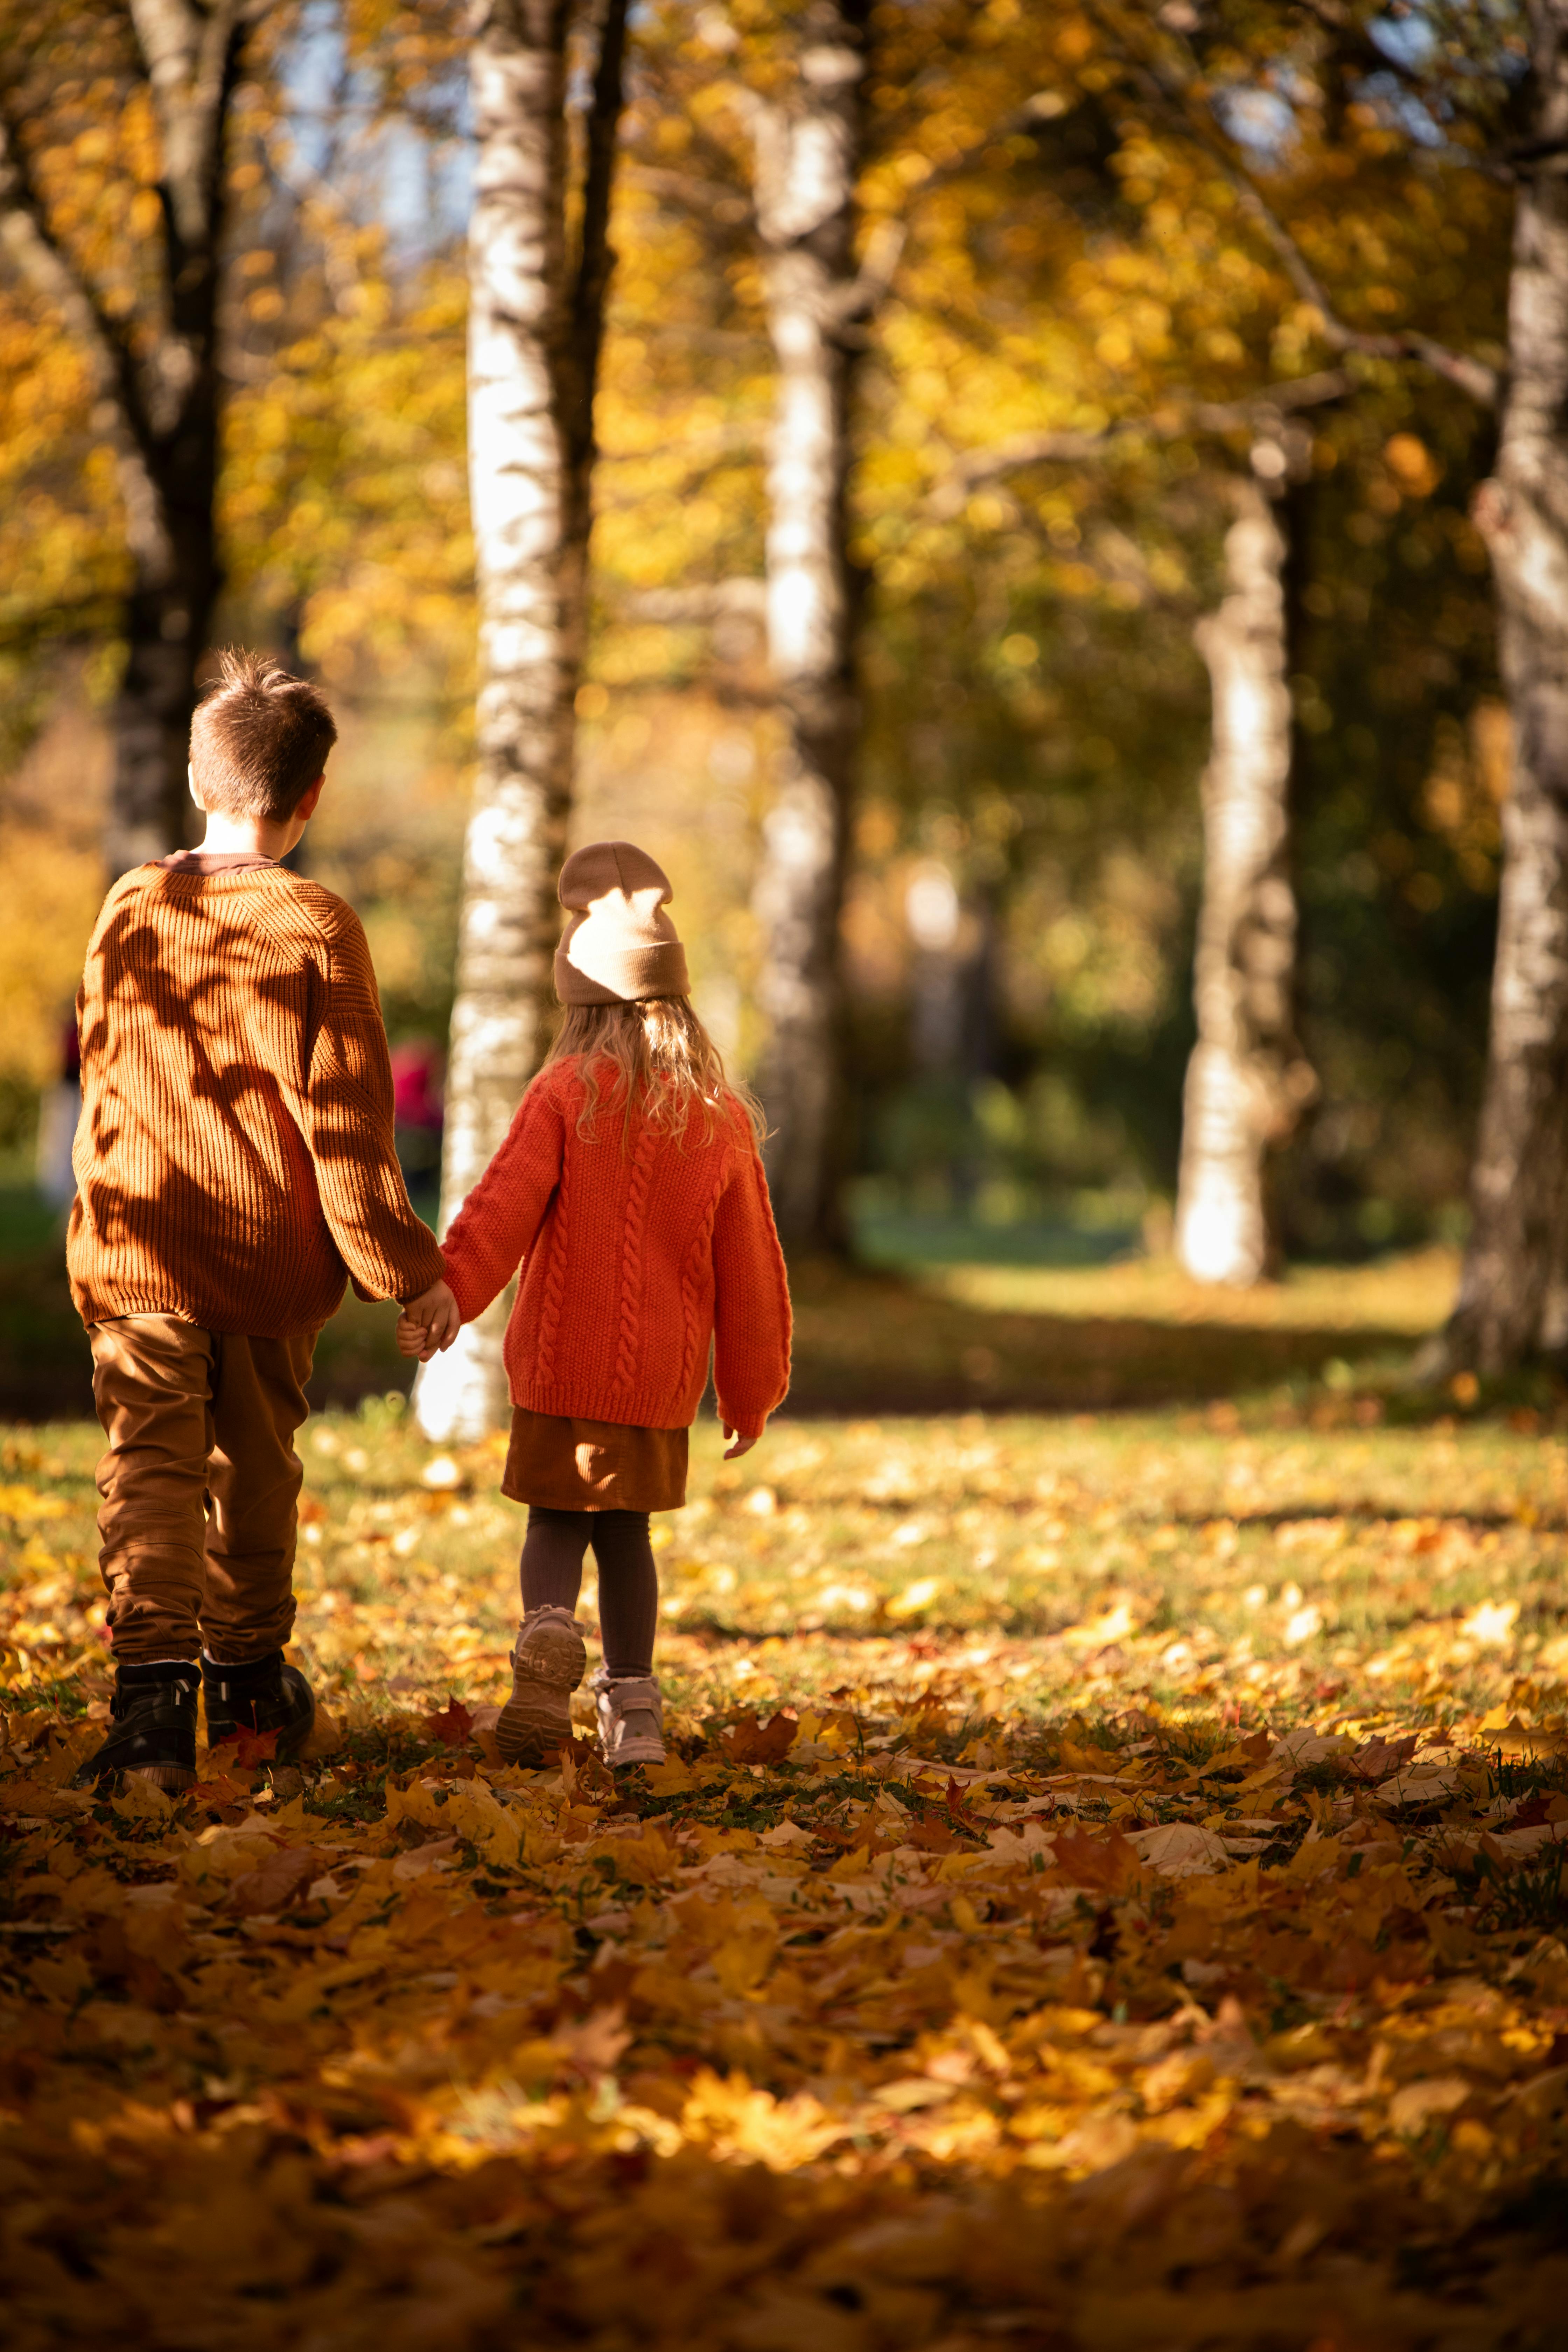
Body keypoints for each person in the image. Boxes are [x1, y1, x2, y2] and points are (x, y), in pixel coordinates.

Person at [68, 650, 452, 1791]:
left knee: (148, 1461)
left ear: (197, 779)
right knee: (252, 1468)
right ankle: (244, 1688)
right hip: (264, 1254)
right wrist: (408, 1271)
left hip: (138, 1239)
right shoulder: (319, 927)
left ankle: (147, 1711)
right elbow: (348, 1128)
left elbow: (101, 1057)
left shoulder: (134, 904)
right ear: (311, 797)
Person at [398, 840, 791, 1770]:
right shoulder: (720, 1114)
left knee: (553, 1520)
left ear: (577, 999)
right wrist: (751, 1387)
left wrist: (444, 1295)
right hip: (655, 1377)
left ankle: (545, 1638)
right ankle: (634, 1712)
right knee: (627, 1538)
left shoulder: (564, 1091)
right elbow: (753, 1271)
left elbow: (499, 1210)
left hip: (560, 1362)